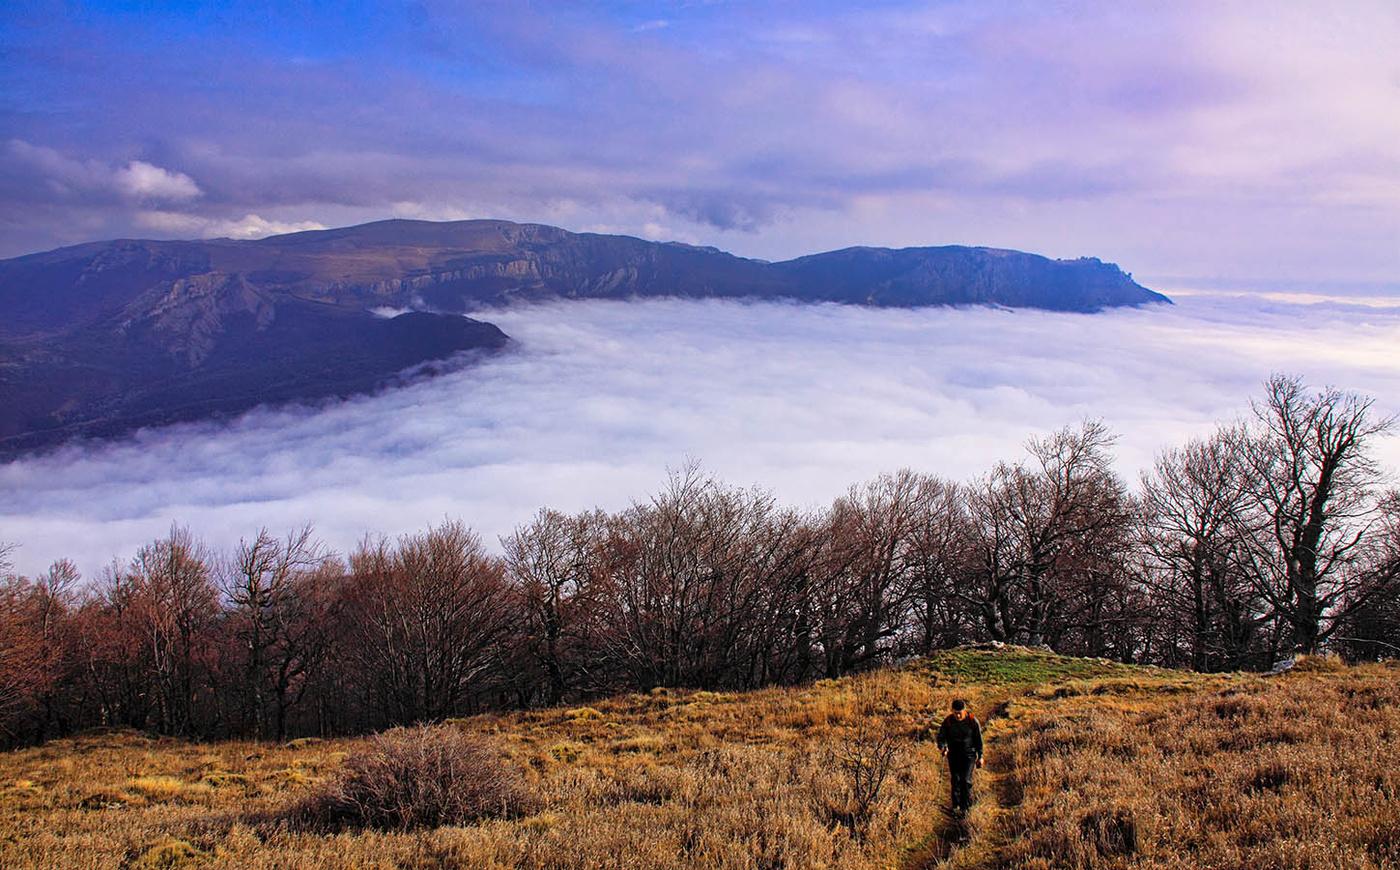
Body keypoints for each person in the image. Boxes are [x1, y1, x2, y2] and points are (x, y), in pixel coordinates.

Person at [936, 698, 983, 816]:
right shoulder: (948, 721)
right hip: (954, 754)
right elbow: (940, 738)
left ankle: (965, 808)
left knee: (965, 780)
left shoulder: (972, 721)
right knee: (955, 780)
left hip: (969, 754)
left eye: (960, 713)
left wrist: (980, 756)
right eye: (955, 712)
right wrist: (943, 747)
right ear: (952, 711)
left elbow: (979, 740)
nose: (957, 715)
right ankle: (955, 806)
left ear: (964, 710)